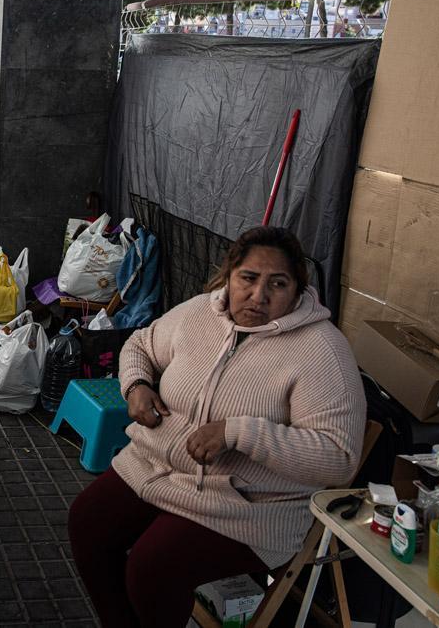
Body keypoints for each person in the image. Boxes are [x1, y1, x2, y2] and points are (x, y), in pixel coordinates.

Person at [67, 226, 364, 628]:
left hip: (246, 505)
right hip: (155, 467)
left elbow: (338, 458)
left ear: (297, 290)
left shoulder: (321, 350)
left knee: (152, 568)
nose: (259, 296)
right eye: (249, 278)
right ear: (230, 275)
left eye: (278, 283)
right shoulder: (200, 312)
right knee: (88, 524)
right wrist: (136, 385)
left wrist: (239, 432)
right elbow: (140, 344)